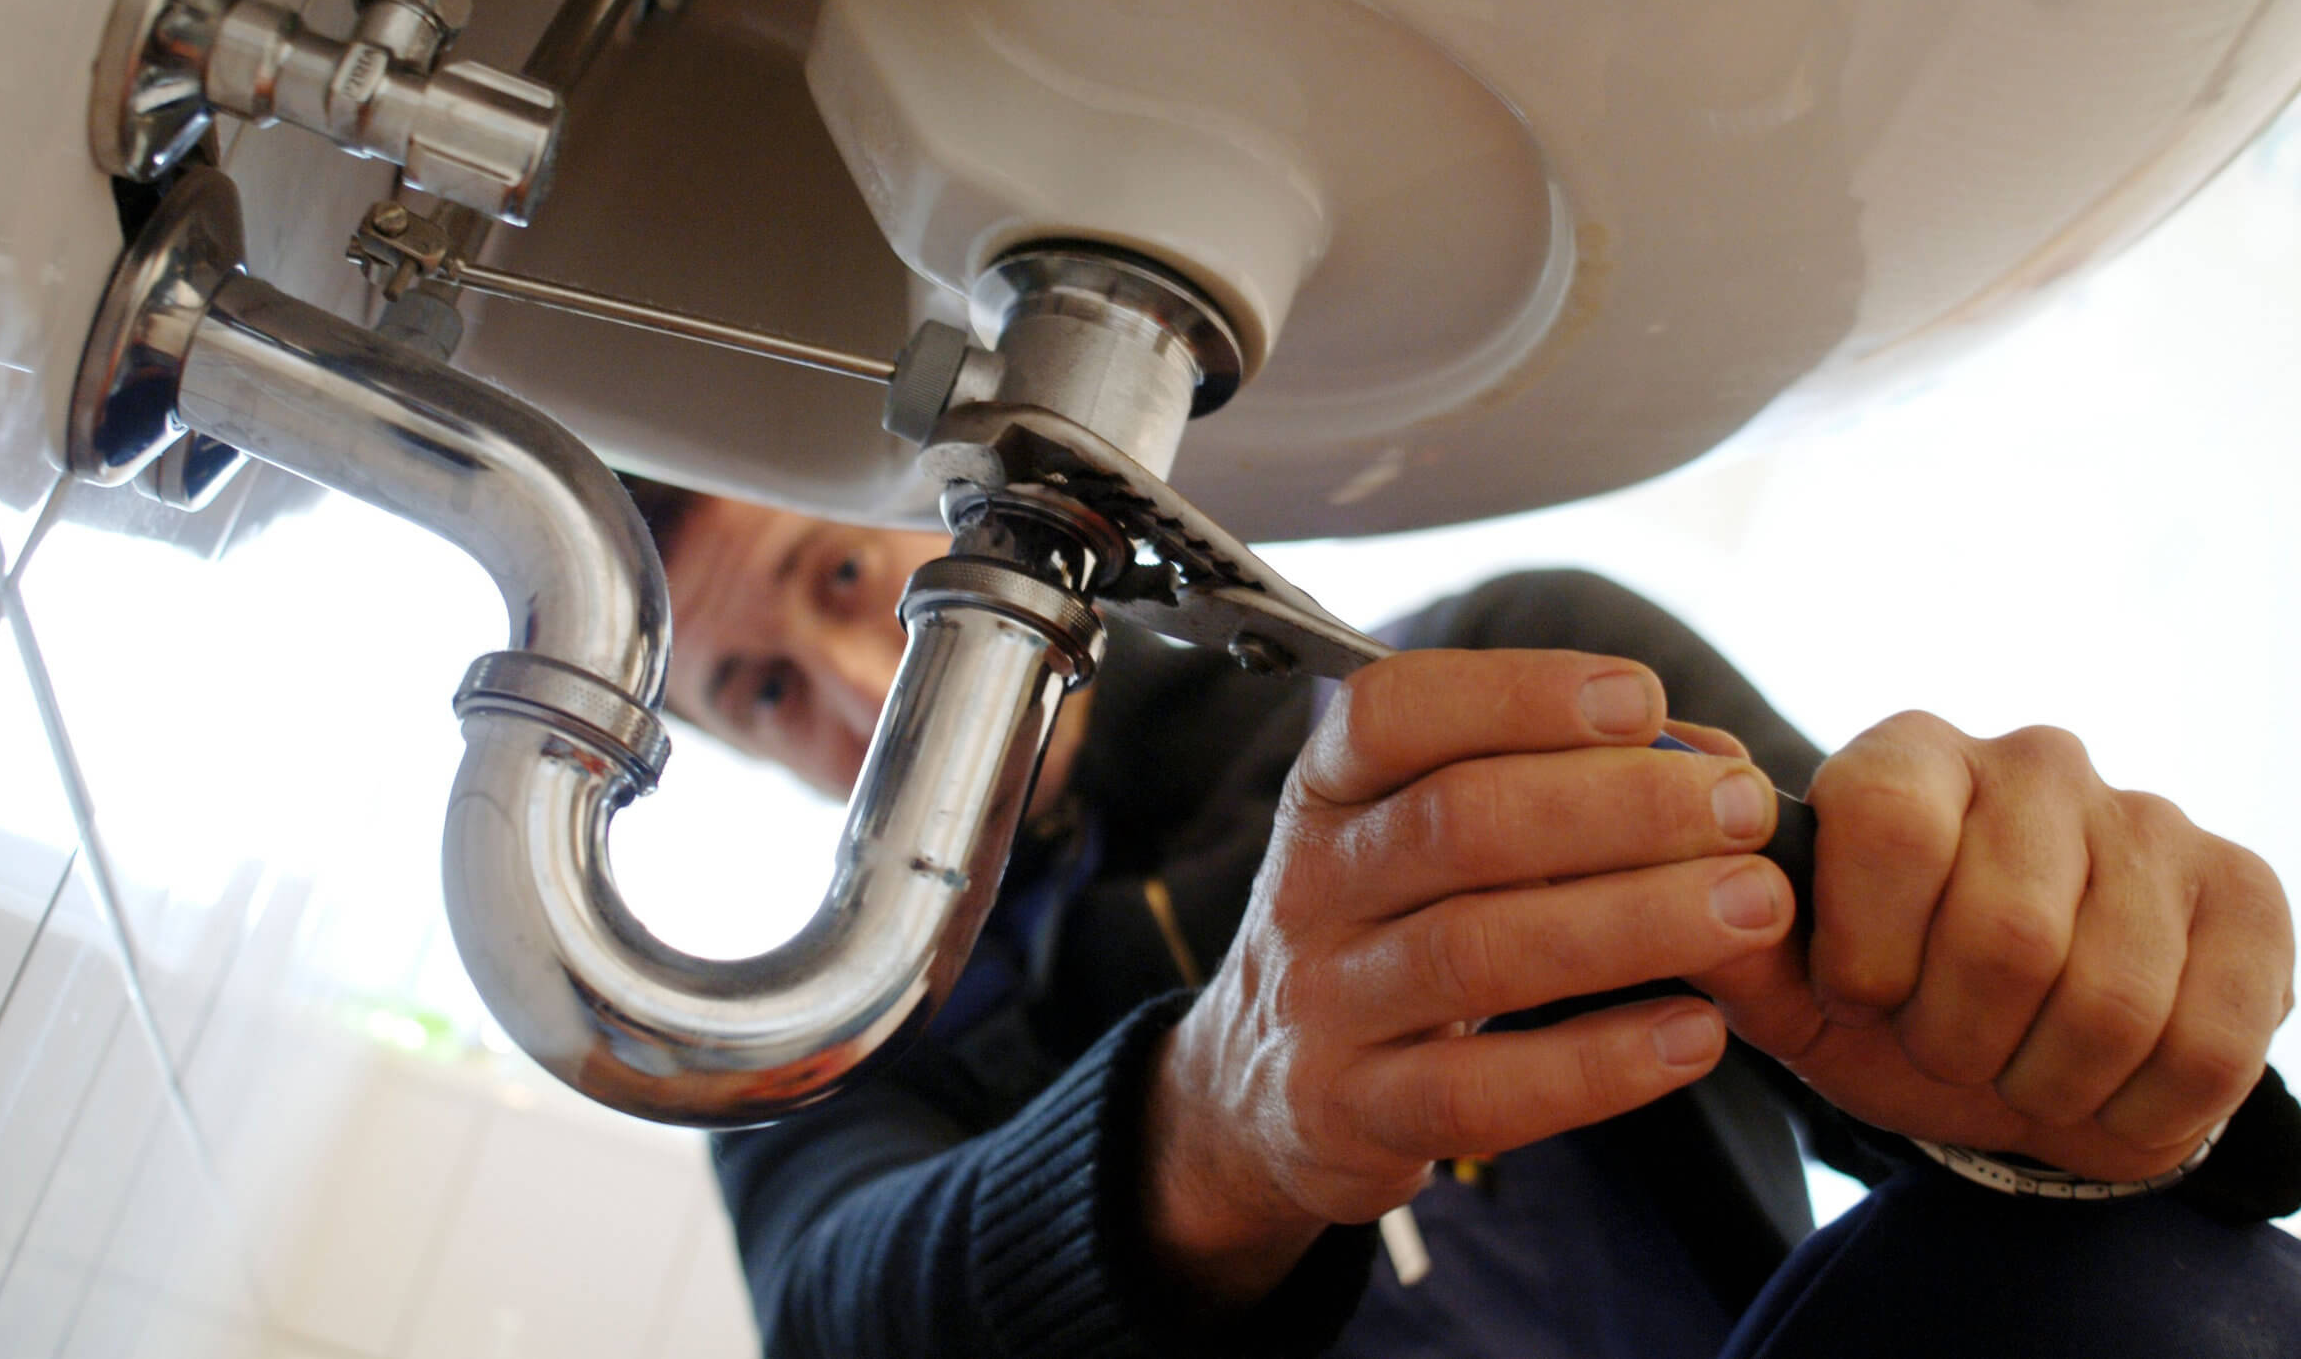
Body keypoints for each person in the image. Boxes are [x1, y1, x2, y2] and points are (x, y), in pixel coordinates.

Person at [622, 478, 2301, 1358]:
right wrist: (1211, 1130)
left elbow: (1894, 998)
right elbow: (846, 1315)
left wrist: (2057, 1020)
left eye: (849, 584)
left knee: (2136, 1291)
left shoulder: (1509, 665)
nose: (856, 700)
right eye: (760, 688)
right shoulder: (825, 1029)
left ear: (950, 504)